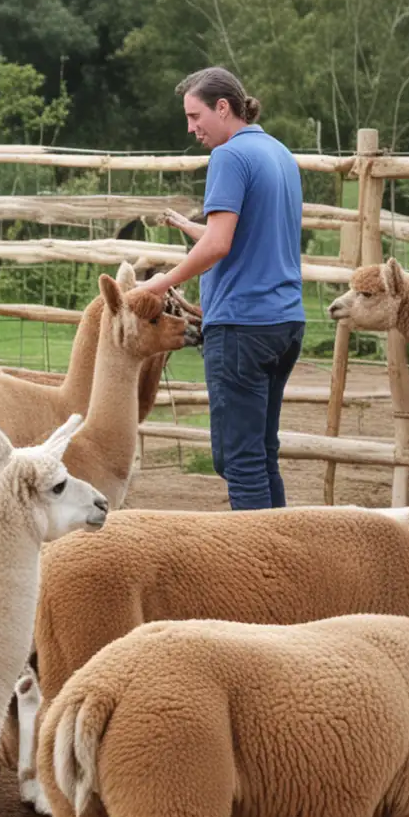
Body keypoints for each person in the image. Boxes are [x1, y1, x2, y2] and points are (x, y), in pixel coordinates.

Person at [138, 67, 305, 510]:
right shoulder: (280, 154)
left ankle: (259, 574)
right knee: (262, 456)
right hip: (285, 323)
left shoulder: (229, 158)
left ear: (223, 107)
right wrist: (191, 229)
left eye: (195, 116)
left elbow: (220, 243)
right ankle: (285, 565)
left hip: (242, 326)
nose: (191, 128)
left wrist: (164, 280)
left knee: (238, 461)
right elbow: (246, 239)